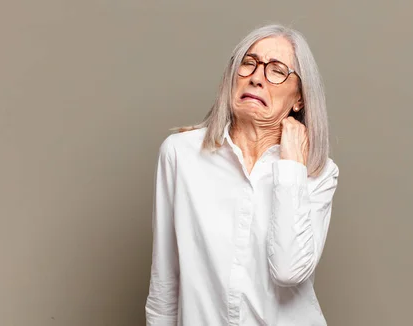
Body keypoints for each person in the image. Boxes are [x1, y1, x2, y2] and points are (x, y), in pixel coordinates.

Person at [145, 23, 340, 326]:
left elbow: (288, 270)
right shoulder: (180, 155)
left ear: (299, 98)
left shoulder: (317, 172)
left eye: (276, 70)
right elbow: (164, 281)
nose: (256, 78)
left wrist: (291, 168)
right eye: (248, 63)